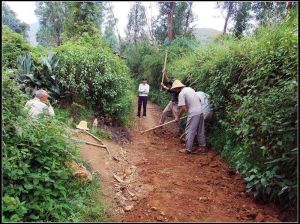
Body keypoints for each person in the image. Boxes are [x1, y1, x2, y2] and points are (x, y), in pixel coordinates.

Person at [172, 80, 207, 154]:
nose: (175, 90)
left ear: (177, 88)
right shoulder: (190, 89)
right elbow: (199, 100)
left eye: (174, 89)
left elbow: (183, 108)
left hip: (193, 113)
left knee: (189, 130)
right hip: (201, 111)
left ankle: (188, 149)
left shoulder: (181, 93)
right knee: (200, 130)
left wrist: (177, 117)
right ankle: (202, 147)